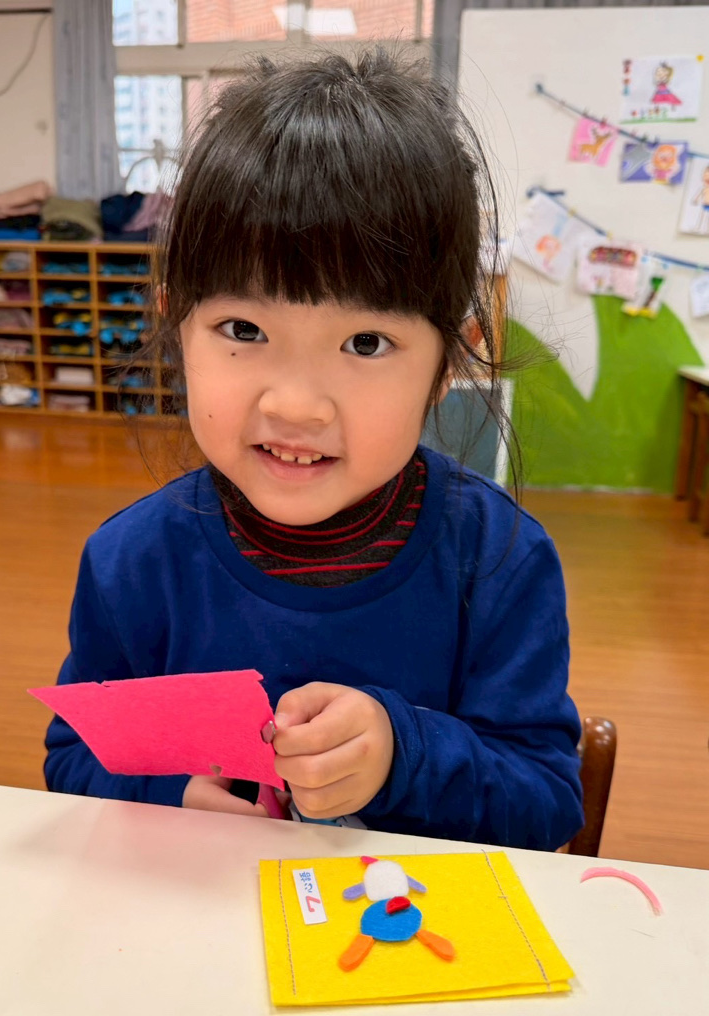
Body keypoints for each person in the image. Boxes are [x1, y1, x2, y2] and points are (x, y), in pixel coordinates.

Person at [44, 48, 583, 851]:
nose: (294, 405)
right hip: (199, 914)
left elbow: (545, 802)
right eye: (243, 329)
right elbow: (73, 758)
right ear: (176, 324)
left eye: (365, 343)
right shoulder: (131, 562)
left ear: (448, 361)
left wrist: (403, 754)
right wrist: (168, 793)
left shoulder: (499, 558)